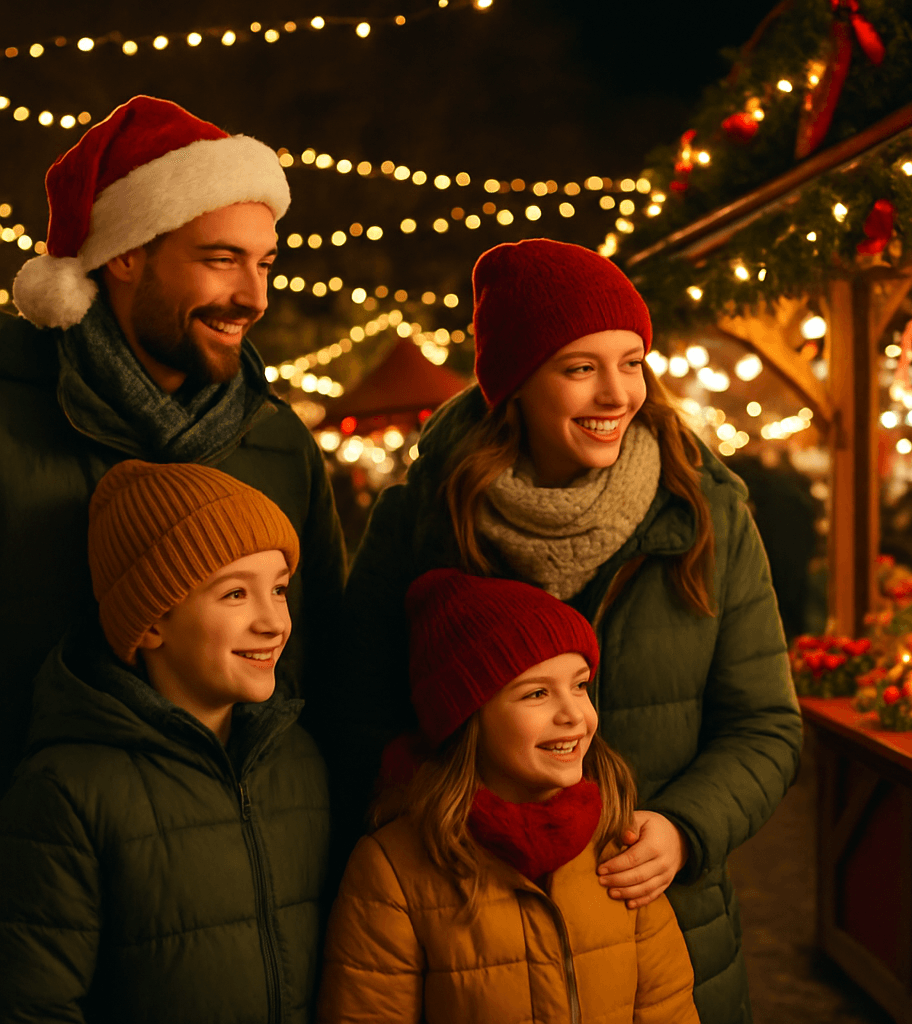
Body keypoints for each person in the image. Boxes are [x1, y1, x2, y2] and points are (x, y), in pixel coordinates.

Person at [339, 238, 802, 1024]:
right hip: (475, 940)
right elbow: (358, 710)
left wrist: (686, 829)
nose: (616, 392)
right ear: (515, 383)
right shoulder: (426, 520)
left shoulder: (705, 514)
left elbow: (766, 725)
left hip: (661, 925)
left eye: (631, 362)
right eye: (580, 367)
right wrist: (444, 821)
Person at [0, 95, 346, 792]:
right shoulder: (12, 414)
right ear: (126, 255)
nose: (254, 297)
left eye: (266, 264)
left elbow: (330, 662)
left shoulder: (277, 441)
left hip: (243, 851)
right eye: (222, 260)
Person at [0, 460, 330, 1023]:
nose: (274, 621)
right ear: (150, 622)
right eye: (234, 595)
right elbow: (35, 1006)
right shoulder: (69, 790)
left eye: (278, 590)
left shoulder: (298, 759)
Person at [318, 568, 700, 1024]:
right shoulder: (392, 872)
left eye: (579, 685)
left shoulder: (620, 847)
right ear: (467, 718)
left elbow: (668, 1008)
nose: (573, 715)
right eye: (536, 693)